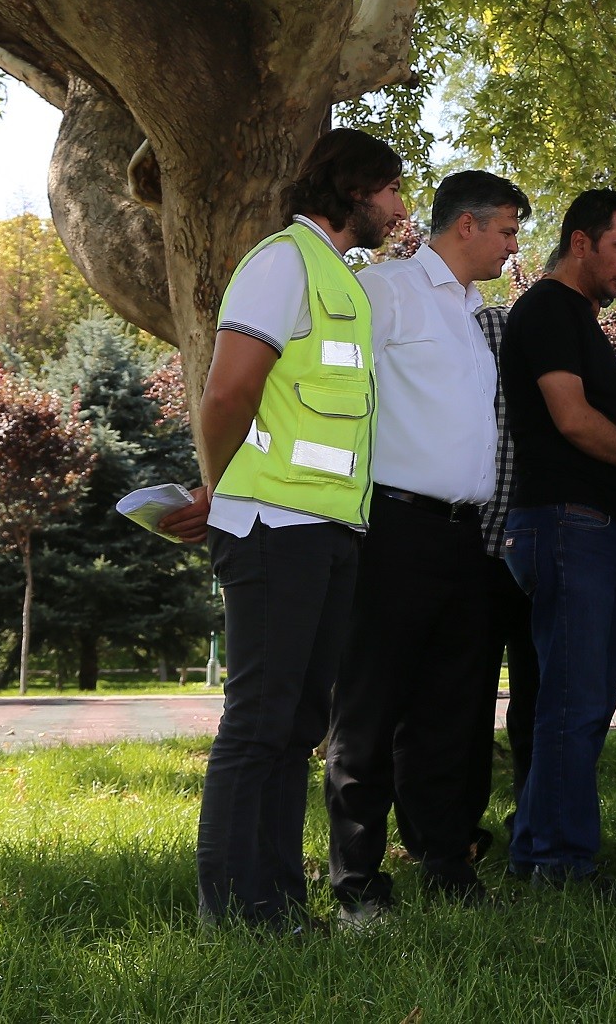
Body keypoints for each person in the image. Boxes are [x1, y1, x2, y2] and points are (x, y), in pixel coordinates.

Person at [158, 128, 404, 931]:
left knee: (296, 726)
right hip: (271, 526)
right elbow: (228, 391)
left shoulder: (340, 278)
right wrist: (218, 488)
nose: (400, 209)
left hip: (326, 529)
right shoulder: (282, 263)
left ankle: (278, 906)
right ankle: (231, 909)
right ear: (357, 188)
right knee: (260, 721)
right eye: (393, 191)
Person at [324, 170, 530, 922]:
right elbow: (337, 396)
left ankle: (445, 864)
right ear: (467, 226)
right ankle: (356, 884)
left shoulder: (476, 316)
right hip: (392, 529)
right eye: (507, 230)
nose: (514, 248)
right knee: (371, 708)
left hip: (466, 537)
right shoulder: (387, 293)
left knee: (453, 711)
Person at [500, 188, 616, 890]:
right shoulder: (546, 309)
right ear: (579, 242)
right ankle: (558, 861)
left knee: (583, 699)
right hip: (563, 527)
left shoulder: (577, 317)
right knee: (572, 702)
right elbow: (570, 418)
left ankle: (539, 851)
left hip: (590, 527)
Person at [465, 299, 538, 851]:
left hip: (538, 546)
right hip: (481, 551)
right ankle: (457, 830)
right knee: (465, 698)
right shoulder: (491, 325)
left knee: (534, 701)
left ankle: (530, 825)